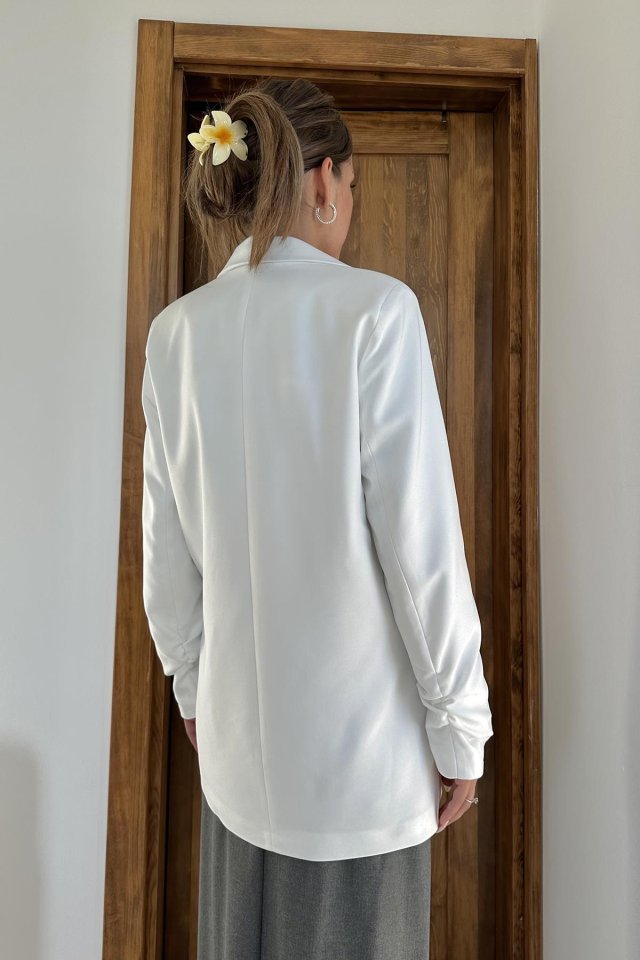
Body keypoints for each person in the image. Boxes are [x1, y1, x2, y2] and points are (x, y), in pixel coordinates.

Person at [141, 76, 493, 960]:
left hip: (235, 770)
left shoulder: (175, 334)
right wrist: (461, 727)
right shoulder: (375, 312)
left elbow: (166, 553)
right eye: (352, 186)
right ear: (324, 180)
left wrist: (192, 689)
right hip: (360, 781)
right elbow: (421, 552)